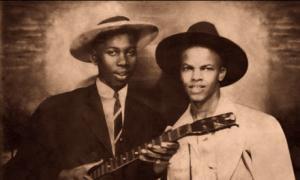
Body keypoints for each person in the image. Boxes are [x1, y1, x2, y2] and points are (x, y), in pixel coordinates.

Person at [4, 16, 178, 180]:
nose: (123, 62)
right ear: (95, 58)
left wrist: (157, 169)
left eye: (130, 52)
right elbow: (15, 171)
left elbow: (141, 175)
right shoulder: (55, 109)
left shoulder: (151, 117)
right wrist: (61, 175)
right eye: (112, 52)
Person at [155, 21, 295, 180]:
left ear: (221, 73)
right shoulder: (174, 136)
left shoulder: (262, 127)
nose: (196, 77)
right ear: (180, 73)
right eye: (188, 68)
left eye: (206, 68)